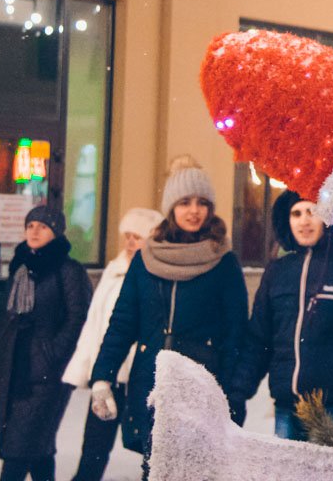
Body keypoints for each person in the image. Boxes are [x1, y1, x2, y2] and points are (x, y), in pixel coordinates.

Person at [89, 157, 249, 474]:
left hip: (202, 386)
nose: (194, 210)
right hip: (151, 383)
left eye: (202, 202)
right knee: (155, 468)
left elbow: (236, 334)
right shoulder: (146, 259)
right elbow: (122, 324)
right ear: (171, 207)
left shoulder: (224, 262)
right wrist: (101, 377)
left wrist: (232, 393)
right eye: (185, 202)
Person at [232, 190, 333, 445]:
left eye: (312, 212)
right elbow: (259, 340)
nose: (304, 221)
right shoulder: (278, 272)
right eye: (296, 214)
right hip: (287, 408)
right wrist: (237, 392)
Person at [0, 206, 93, 481]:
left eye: (43, 226)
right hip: (17, 367)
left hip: (49, 374)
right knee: (37, 447)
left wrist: (54, 353)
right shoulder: (21, 267)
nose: (34, 231)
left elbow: (79, 318)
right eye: (30, 225)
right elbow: (10, 315)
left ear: (56, 233)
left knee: (19, 448)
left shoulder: (69, 270)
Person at [63, 207, 163, 481]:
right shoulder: (114, 269)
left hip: (138, 376)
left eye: (138, 236)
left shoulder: (154, 273)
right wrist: (89, 368)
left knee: (149, 449)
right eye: (128, 236)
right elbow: (95, 323)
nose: (131, 242)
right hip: (109, 377)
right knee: (94, 447)